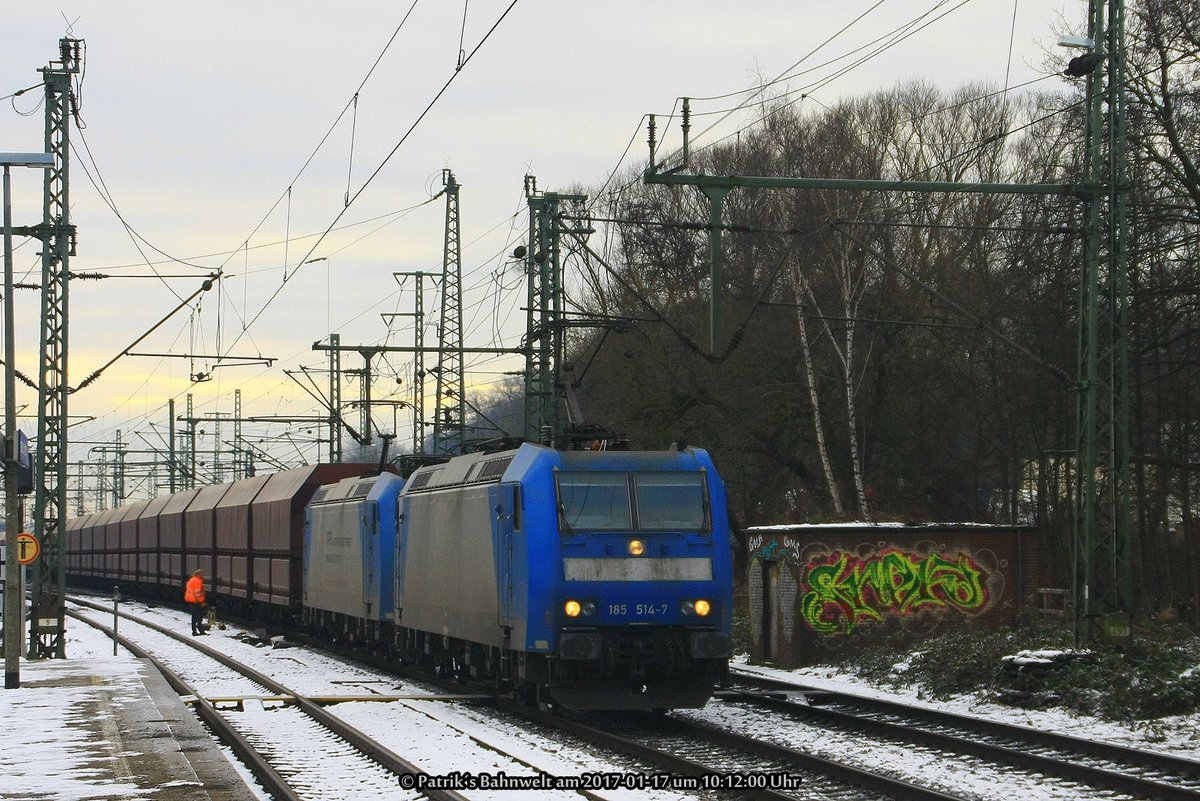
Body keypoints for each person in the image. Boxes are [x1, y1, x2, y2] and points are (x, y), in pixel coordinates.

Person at [184, 569, 208, 636]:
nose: (202, 576)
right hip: (195, 601)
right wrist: (202, 601)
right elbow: (197, 593)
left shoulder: (191, 580)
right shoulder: (198, 581)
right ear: (198, 574)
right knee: (199, 615)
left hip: (190, 600)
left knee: (194, 616)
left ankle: (195, 631)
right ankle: (200, 631)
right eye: (201, 574)